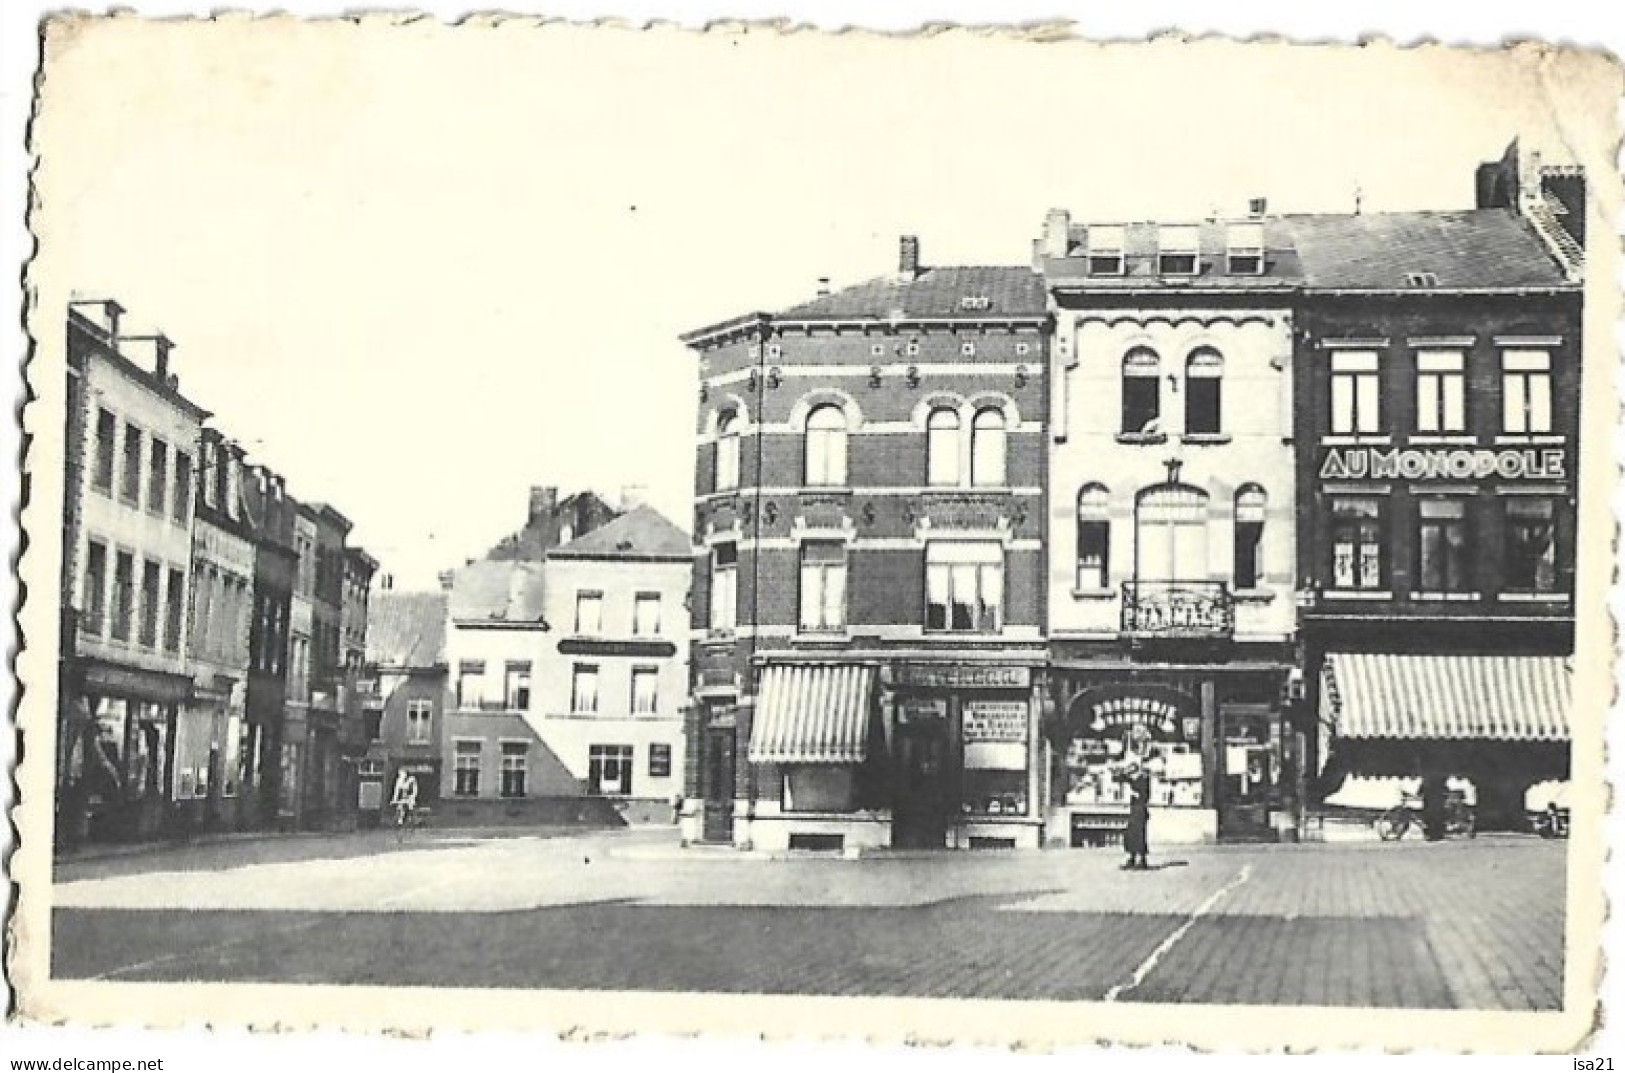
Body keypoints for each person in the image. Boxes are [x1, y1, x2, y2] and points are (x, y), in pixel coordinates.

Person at [1121, 759, 1152, 871]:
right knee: (1131, 834)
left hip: (1140, 810)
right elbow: (1121, 778)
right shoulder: (1133, 780)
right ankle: (1132, 857)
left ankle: (1141, 859)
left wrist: (1134, 793)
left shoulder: (1143, 780)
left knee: (1139, 835)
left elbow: (1144, 796)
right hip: (1134, 810)